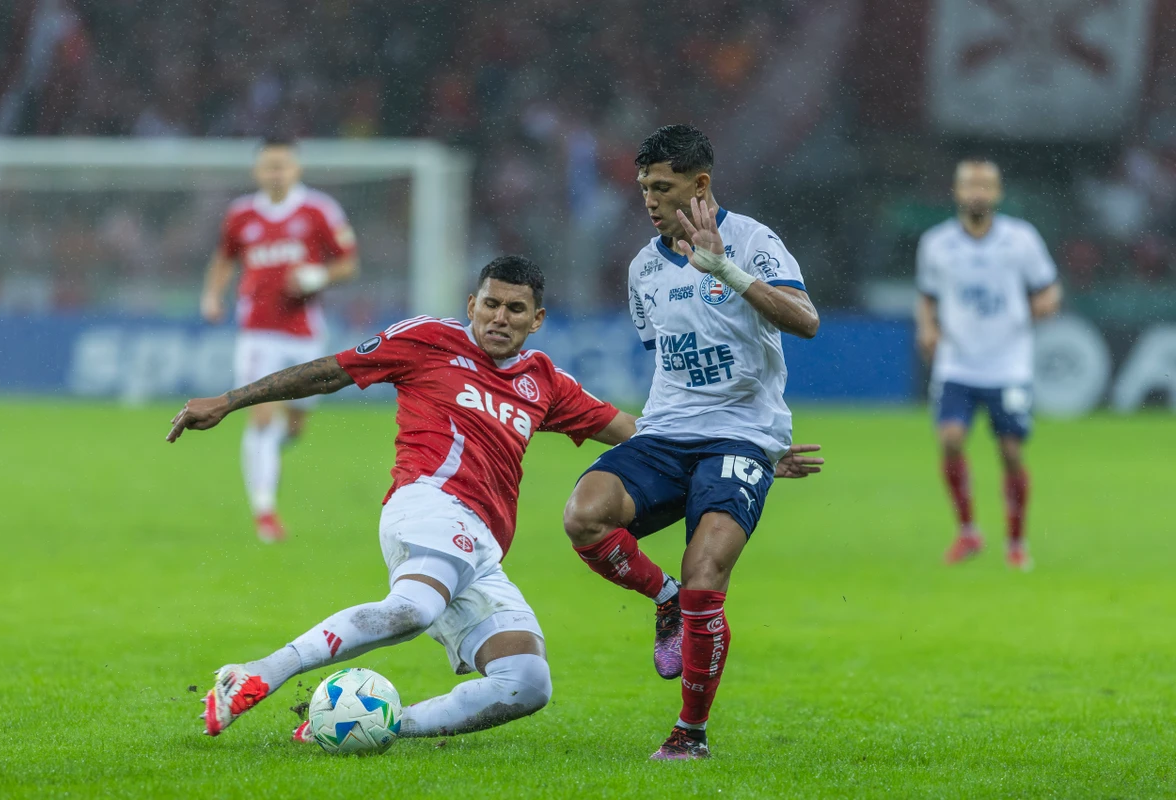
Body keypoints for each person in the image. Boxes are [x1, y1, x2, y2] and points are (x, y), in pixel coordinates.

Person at [170, 256, 823, 743]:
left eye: (515, 309)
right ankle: (255, 672)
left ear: (537, 320)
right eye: (490, 305)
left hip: (481, 547)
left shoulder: (545, 382)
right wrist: (230, 400)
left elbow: (639, 433)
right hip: (427, 505)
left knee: (526, 684)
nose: (499, 318)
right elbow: (329, 371)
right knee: (414, 608)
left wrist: (747, 450)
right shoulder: (429, 339)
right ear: (472, 304)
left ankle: (372, 727)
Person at [562, 125, 821, 760]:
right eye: (643, 188)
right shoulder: (643, 268)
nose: (649, 200)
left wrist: (724, 269)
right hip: (667, 433)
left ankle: (689, 733)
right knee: (584, 516)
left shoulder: (753, 240)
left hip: (741, 437)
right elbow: (672, 364)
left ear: (700, 183)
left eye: (662, 187)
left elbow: (805, 321)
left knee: (706, 571)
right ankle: (666, 600)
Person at [199, 135, 359, 542]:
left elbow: (348, 264)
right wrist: (213, 295)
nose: (276, 173)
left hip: (304, 332)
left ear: (296, 169)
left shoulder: (319, 211)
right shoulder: (241, 214)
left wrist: (319, 275)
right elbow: (225, 258)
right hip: (257, 330)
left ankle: (269, 452)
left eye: (283, 165)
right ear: (257, 171)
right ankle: (265, 511)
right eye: (269, 166)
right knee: (261, 415)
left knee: (295, 425)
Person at [914, 158, 1062, 570]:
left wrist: (1046, 304)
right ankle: (968, 532)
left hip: (1008, 364)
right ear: (957, 191)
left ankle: (1016, 541)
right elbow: (926, 296)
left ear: (997, 193)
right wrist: (927, 328)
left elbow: (1049, 287)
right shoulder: (936, 243)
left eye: (985, 185)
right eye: (970, 185)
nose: (977, 192)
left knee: (1011, 451)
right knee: (950, 439)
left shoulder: (1021, 239)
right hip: (957, 363)